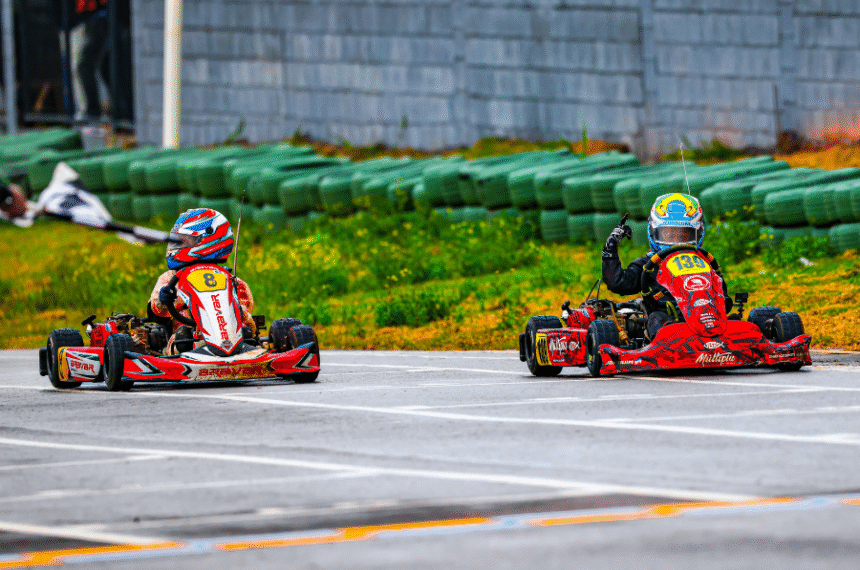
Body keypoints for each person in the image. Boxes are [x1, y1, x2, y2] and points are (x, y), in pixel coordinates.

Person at [601, 192, 731, 339]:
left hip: (707, 320)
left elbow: (724, 298)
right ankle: (672, 343)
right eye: (669, 235)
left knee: (743, 319)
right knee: (656, 318)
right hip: (666, 325)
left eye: (683, 235)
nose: (676, 241)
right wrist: (610, 250)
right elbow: (618, 283)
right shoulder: (647, 266)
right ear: (653, 232)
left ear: (698, 232)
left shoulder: (704, 263)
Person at [148, 208, 257, 354]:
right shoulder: (169, 279)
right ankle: (189, 353)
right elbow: (155, 313)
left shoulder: (232, 281)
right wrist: (164, 299)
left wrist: (236, 310)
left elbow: (249, 320)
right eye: (177, 240)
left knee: (246, 332)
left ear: (210, 240)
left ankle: (235, 347)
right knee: (181, 337)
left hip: (229, 339)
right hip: (185, 341)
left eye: (185, 241)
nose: (177, 246)